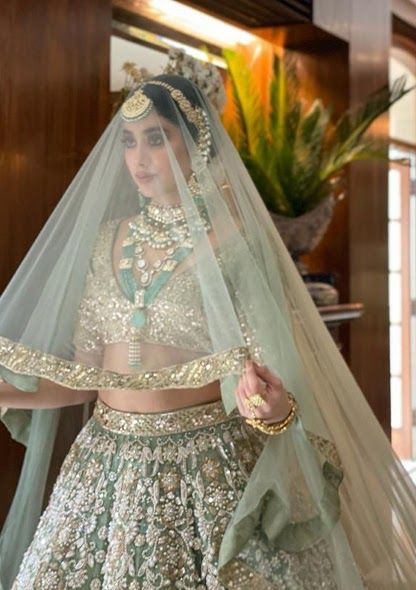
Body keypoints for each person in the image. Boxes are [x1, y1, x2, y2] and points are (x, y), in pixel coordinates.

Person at [0, 74, 415, 589]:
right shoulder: (106, 239)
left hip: (204, 469)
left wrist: (271, 408)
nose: (139, 158)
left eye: (157, 138)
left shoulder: (234, 240)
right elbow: (85, 375)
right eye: (129, 141)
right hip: (102, 469)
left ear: (195, 140)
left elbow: (273, 381)